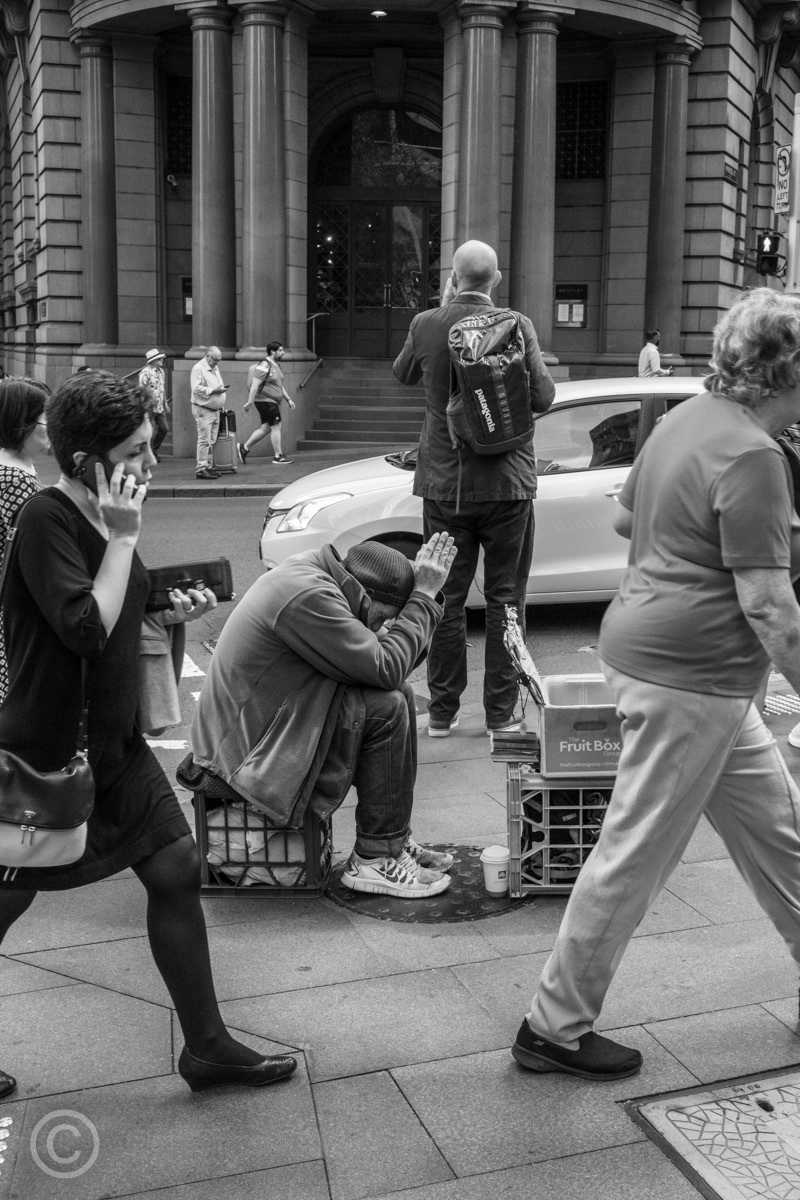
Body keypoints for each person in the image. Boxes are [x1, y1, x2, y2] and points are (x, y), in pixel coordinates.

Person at [513, 288, 800, 1082]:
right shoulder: (753, 455)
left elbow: (622, 520)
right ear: (786, 370)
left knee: (780, 830)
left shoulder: (685, 422)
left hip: (667, 662)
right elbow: (770, 604)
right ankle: (552, 1026)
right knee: (633, 853)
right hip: (692, 679)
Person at [0, 371, 297, 1098]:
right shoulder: (47, 517)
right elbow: (80, 624)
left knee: (173, 866)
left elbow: (111, 612)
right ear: (84, 459)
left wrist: (164, 605)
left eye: (149, 447)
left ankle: (208, 1048)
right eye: (134, 451)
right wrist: (125, 540)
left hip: (111, 748)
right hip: (44, 758)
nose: (148, 464)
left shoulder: (102, 518)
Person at [191, 535, 458, 898]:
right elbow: (388, 667)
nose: (383, 628)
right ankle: (375, 860)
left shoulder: (321, 574)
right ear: (365, 597)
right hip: (245, 754)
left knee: (400, 695)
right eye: (384, 618)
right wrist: (423, 598)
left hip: (271, 723)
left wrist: (420, 598)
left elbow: (393, 667)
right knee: (387, 708)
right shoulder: (308, 597)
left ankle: (392, 840)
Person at [392, 240, 556, 737]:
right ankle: (501, 716)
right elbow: (544, 397)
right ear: (496, 279)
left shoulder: (426, 324)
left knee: (445, 598)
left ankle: (442, 713)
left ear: (453, 277)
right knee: (508, 600)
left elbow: (401, 374)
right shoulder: (517, 323)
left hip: (446, 488)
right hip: (508, 487)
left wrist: (442, 312)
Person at [0, 377, 50, 703]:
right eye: (48, 419)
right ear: (23, 425)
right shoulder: (16, 481)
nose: (54, 426)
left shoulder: (16, 467)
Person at [238, 341, 295, 466]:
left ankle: (244, 448)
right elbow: (255, 385)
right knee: (276, 426)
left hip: (271, 401)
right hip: (266, 401)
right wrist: (249, 401)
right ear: (273, 352)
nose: (283, 352)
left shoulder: (276, 365)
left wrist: (288, 399)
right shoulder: (265, 365)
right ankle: (278, 456)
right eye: (280, 350)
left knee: (266, 428)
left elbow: (280, 386)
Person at [189, 345, 227, 480]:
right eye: (215, 359)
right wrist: (213, 391)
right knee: (204, 440)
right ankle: (201, 468)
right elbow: (196, 388)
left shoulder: (214, 367)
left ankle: (208, 467)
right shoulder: (198, 368)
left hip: (214, 409)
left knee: (211, 440)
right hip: (203, 409)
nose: (217, 362)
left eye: (219, 360)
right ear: (208, 355)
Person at [138, 348, 169, 461]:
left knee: (164, 428)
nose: (161, 360)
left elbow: (162, 388)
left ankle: (154, 450)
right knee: (149, 431)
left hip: (160, 406)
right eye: (159, 359)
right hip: (150, 406)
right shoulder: (145, 373)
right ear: (153, 361)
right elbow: (142, 390)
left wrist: (165, 402)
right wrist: (144, 405)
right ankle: (149, 454)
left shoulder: (161, 372)